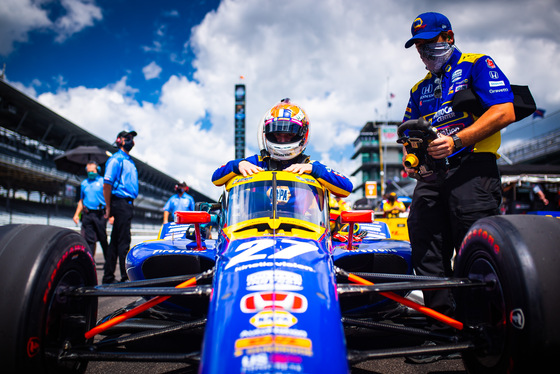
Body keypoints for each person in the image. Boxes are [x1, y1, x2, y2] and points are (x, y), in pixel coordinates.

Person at [401, 11, 515, 357]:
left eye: (429, 43)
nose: (424, 51)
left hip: (472, 169)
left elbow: (504, 112)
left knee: (473, 250)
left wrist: (457, 141)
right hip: (432, 176)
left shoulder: (477, 64)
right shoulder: (418, 89)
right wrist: (414, 156)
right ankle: (442, 331)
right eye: (418, 46)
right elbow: (407, 130)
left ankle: (484, 331)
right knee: (425, 243)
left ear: (448, 37)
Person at [212, 98, 353, 198]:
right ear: (268, 134)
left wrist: (315, 170)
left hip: (303, 233)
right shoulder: (257, 162)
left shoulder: (309, 167)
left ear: (302, 134)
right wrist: (237, 165)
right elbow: (216, 178)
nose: (282, 139)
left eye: (289, 135)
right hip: (256, 231)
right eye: (277, 134)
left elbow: (347, 187)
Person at [103, 130, 139, 283]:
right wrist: (108, 207)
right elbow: (107, 184)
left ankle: (108, 276)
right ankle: (125, 277)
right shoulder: (116, 160)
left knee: (116, 241)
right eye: (129, 138)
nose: (133, 141)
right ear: (120, 141)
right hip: (120, 203)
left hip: (126, 204)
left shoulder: (129, 161)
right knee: (124, 241)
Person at [73, 160, 109, 258]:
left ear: (97, 170)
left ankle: (108, 261)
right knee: (89, 240)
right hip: (88, 214)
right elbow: (81, 200)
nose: (90, 173)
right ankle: (90, 260)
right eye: (88, 171)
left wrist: (110, 214)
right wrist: (76, 214)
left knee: (102, 238)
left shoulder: (103, 182)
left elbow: (109, 198)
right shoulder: (84, 183)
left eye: (92, 171)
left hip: (100, 214)